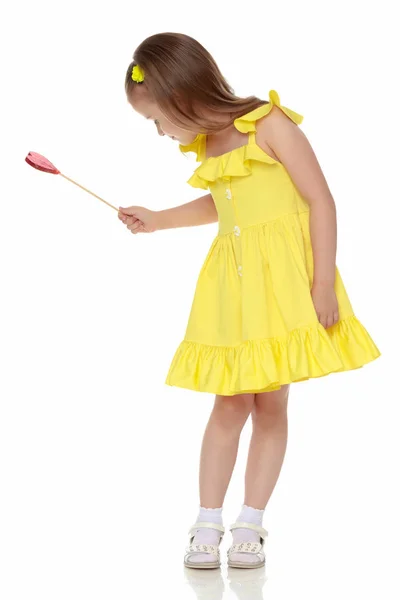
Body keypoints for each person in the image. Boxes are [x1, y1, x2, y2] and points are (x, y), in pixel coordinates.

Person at [118, 32, 381, 569]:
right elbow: (223, 205)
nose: (161, 132)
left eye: (157, 120)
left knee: (270, 403)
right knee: (230, 400)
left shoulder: (268, 123)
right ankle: (207, 521)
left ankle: (251, 523)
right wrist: (159, 219)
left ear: (181, 96)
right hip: (232, 285)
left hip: (285, 282)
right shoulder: (208, 145)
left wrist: (323, 281)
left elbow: (320, 199)